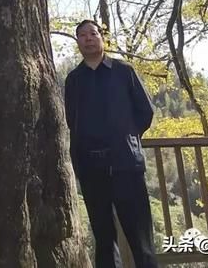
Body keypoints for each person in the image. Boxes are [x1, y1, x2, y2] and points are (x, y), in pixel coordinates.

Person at [65, 19, 158, 268]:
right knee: (104, 239)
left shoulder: (123, 71)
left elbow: (145, 112)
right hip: (92, 168)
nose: (88, 38)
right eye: (82, 35)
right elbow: (71, 119)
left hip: (126, 165)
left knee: (141, 239)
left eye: (93, 33)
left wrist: (127, 136)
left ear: (101, 38)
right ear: (78, 42)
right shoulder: (73, 80)